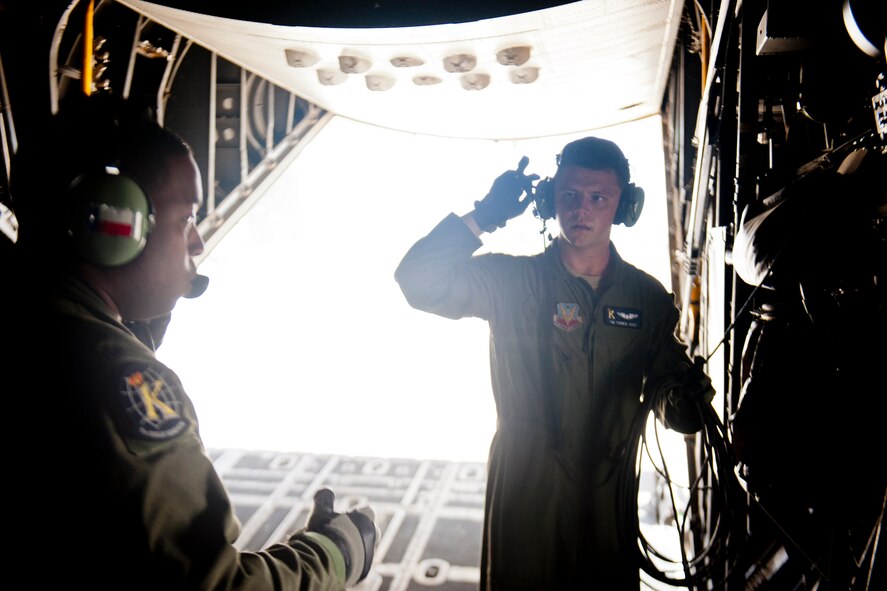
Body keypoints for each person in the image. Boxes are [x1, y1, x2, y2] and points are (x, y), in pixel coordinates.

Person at [2, 94, 378, 590]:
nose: (197, 243)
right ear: (113, 226)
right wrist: (335, 552)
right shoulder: (116, 376)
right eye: (185, 219)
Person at [394, 137, 714, 589]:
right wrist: (486, 214)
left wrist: (684, 404)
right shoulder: (511, 281)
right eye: (569, 196)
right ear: (549, 201)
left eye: (598, 197)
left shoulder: (648, 300)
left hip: (608, 500)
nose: (581, 210)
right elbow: (417, 280)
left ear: (624, 206)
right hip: (526, 496)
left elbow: (668, 388)